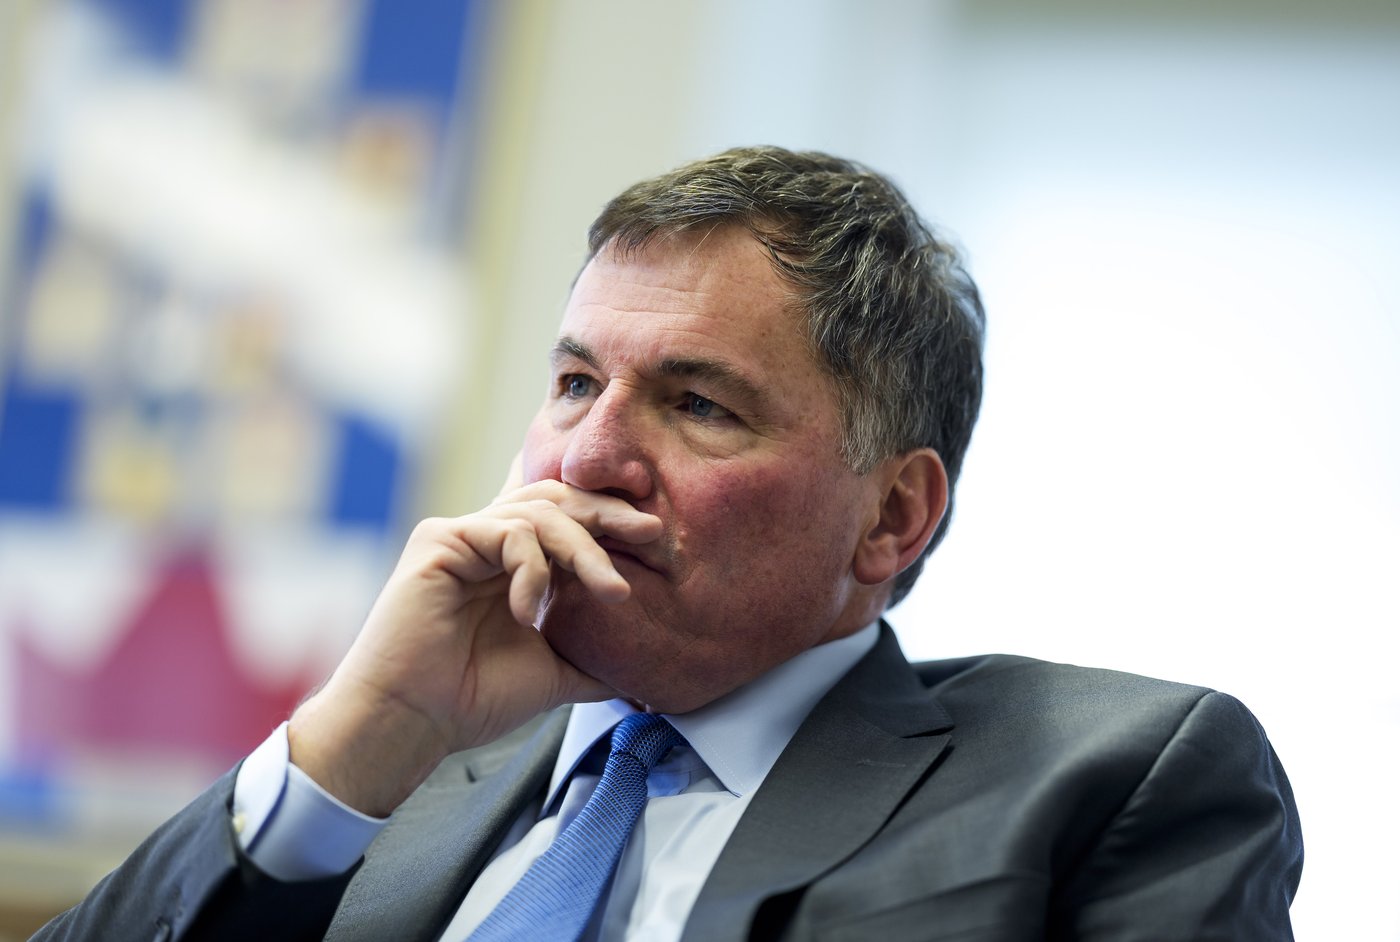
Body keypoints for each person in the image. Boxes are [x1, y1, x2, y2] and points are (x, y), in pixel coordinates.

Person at [36, 147, 1302, 941]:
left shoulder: (1108, 780)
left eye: (697, 404)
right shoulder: (394, 772)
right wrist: (361, 734)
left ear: (890, 517)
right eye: (575, 383)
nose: (586, 459)